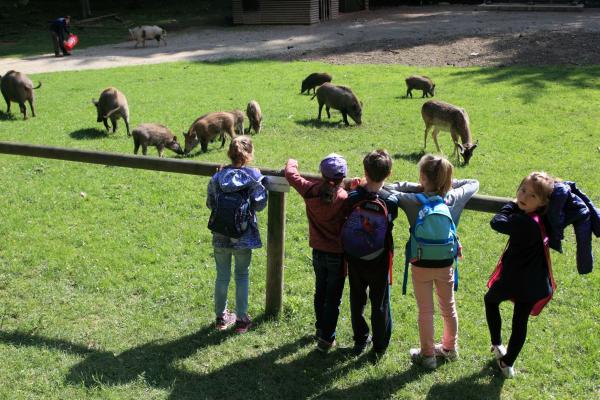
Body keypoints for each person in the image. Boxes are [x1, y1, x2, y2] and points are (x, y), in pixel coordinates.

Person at [386, 154, 479, 369]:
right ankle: (450, 348)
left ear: (422, 177)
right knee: (449, 307)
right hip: (446, 262)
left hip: (420, 263)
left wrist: (414, 187)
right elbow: (474, 183)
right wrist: (446, 183)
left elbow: (389, 189)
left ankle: (427, 356)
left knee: (425, 310)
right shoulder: (454, 197)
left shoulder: (411, 200)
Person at [484, 172, 556, 378]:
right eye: (522, 190)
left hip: (514, 280)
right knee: (520, 321)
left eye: (532, 195)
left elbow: (497, 222)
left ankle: (498, 345)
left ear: (543, 202)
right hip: (535, 282)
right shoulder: (542, 218)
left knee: (490, 300)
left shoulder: (523, 222)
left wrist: (511, 205)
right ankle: (507, 363)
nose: (523, 197)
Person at [284, 154, 350, 352]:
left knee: (320, 291)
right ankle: (327, 339)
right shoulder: (345, 198)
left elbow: (290, 174)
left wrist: (293, 160)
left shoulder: (310, 190)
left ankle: (320, 329)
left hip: (318, 252)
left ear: (321, 173)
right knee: (333, 298)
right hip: (338, 255)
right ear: (342, 177)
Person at [206, 136, 267, 333]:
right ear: (249, 154)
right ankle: (241, 319)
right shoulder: (254, 177)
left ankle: (221, 318)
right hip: (244, 235)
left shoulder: (218, 177)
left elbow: (211, 203)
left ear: (229, 153)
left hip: (220, 233)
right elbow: (260, 204)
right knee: (242, 274)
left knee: (221, 275)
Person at [345, 149, 398, 358]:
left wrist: (356, 187)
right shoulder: (391, 200)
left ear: (364, 172)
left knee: (357, 298)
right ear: (389, 174)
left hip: (355, 256)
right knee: (380, 301)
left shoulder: (353, 196)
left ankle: (360, 339)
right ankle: (380, 345)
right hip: (380, 258)